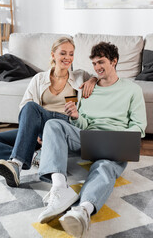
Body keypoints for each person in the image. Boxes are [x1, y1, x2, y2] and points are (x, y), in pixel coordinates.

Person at [36, 42, 146, 237]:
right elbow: (85, 124)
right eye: (94, 63)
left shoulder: (132, 89)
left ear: (114, 61)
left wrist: (124, 140)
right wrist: (77, 117)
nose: (97, 67)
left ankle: (83, 210)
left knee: (105, 167)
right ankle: (60, 188)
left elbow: (138, 126)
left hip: (115, 141)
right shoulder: (88, 89)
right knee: (53, 125)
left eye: (101, 62)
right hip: (87, 138)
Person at [0, 37, 97, 187]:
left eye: (71, 54)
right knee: (28, 107)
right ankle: (30, 156)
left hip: (63, 126)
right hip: (39, 127)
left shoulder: (80, 76)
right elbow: (25, 107)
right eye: (63, 53)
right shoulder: (39, 78)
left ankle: (18, 161)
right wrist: (34, 132)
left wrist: (93, 80)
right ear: (53, 54)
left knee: (33, 111)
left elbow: (100, 76)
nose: (67, 58)